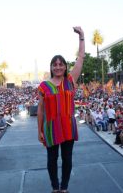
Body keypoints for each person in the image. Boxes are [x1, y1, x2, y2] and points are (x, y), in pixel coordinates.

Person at [37, 26, 85, 193]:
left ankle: (64, 188)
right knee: (51, 160)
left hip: (68, 124)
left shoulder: (70, 81)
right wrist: (39, 130)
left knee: (67, 158)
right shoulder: (44, 86)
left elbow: (80, 57)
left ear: (65, 67)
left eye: (61, 64)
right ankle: (55, 187)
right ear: (51, 67)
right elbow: (41, 110)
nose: (58, 67)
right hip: (50, 127)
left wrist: (81, 37)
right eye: (55, 64)